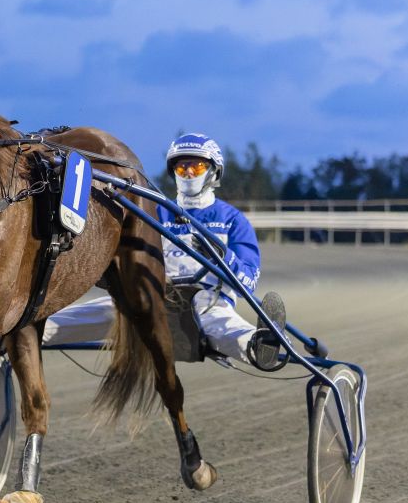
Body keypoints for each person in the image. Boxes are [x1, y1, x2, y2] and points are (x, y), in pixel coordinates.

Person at [42, 132, 285, 369]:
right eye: (181, 168)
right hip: (149, 297)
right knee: (60, 322)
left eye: (197, 167)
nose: (188, 173)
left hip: (206, 301)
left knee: (223, 327)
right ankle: (20, 332)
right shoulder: (154, 212)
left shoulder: (232, 220)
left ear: (213, 171)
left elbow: (249, 283)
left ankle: (259, 345)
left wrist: (220, 257)